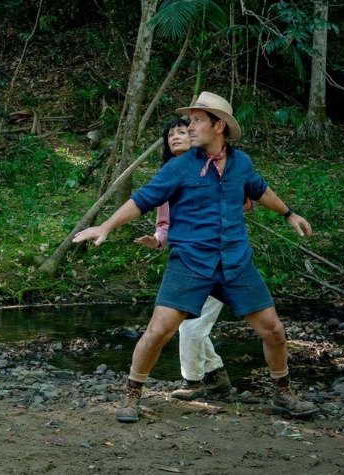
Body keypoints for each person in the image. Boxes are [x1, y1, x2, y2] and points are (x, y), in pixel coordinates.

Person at [73, 91, 318, 422]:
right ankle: (132, 395)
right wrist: (106, 225)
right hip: (190, 261)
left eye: (197, 120)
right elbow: (143, 198)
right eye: (190, 121)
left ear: (219, 126)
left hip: (235, 261)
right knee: (158, 332)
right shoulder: (179, 166)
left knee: (273, 330)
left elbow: (259, 190)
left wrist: (289, 214)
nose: (189, 127)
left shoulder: (241, 163)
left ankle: (283, 393)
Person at [133, 117, 231, 401]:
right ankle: (217, 378)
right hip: (185, 261)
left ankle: (194, 382)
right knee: (191, 324)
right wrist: (156, 240)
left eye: (182, 132)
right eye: (170, 134)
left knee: (191, 326)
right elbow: (164, 224)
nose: (175, 136)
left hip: (217, 258)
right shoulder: (168, 175)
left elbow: (238, 197)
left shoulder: (215, 167)